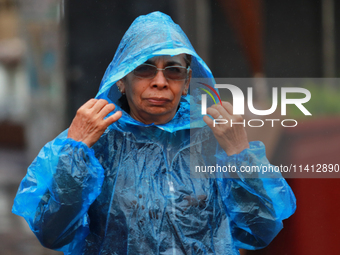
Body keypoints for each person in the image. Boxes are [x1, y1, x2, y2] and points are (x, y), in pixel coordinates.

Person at [12, 11, 296, 255]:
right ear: (121, 80)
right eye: (145, 69)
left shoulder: (215, 138)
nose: (160, 82)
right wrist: (75, 152)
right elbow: (51, 233)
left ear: (186, 83)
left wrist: (239, 155)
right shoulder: (94, 139)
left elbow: (261, 230)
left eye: (173, 70)